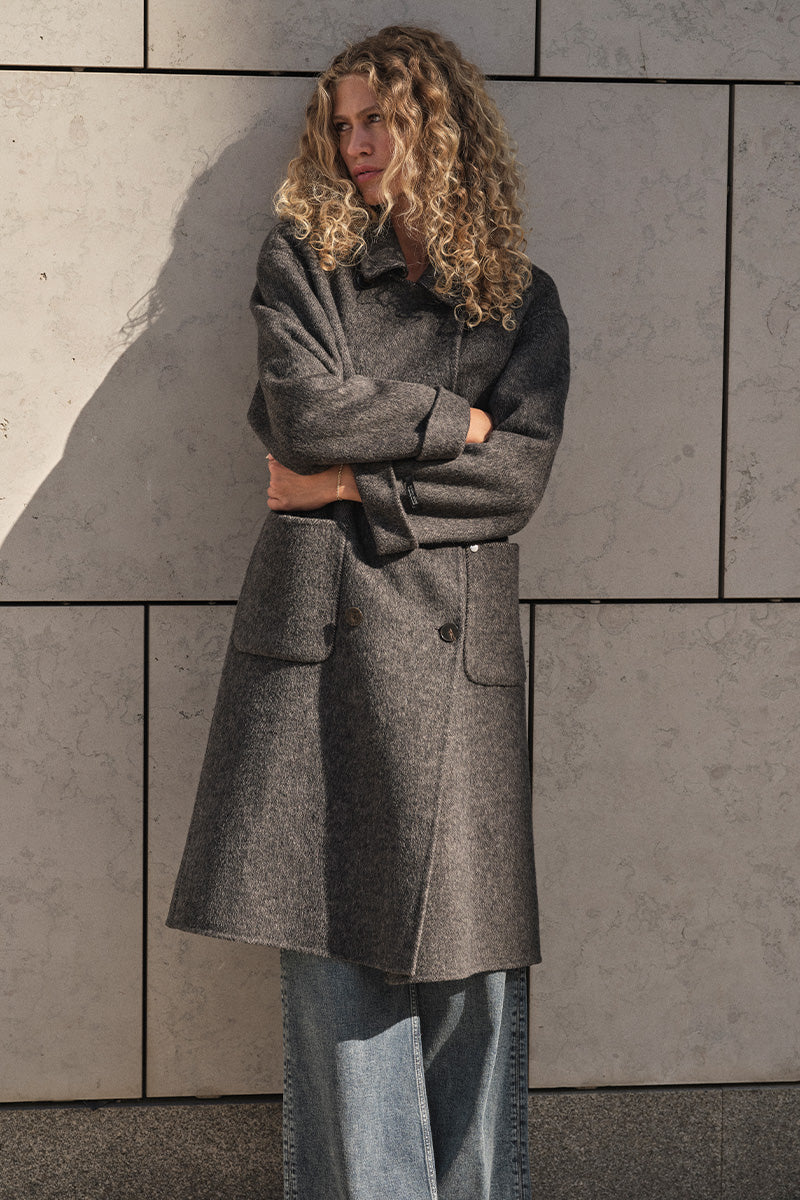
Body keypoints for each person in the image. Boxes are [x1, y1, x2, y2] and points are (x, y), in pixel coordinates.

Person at [168, 24, 569, 1200]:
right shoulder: (304, 264)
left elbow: (516, 482)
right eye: (339, 124)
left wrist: (346, 485)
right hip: (321, 652)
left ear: (438, 128)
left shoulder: (520, 301)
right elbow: (301, 416)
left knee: (469, 981)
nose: (353, 143)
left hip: (454, 662)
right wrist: (452, 423)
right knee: (337, 966)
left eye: (376, 120)